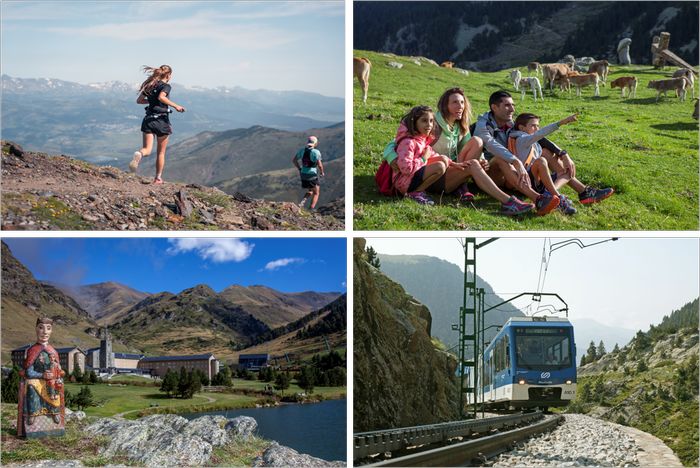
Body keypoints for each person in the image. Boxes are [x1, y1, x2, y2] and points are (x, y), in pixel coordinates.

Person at [474, 91, 614, 214]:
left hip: (517, 171)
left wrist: (562, 153)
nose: (512, 109)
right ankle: (539, 199)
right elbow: (490, 145)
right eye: (507, 105)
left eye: (513, 105)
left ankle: (583, 192)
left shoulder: (510, 123)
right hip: (494, 173)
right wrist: (515, 161)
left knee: (546, 152)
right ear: (494, 107)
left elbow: (537, 137)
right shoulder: (483, 125)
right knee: (500, 158)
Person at [392, 105, 534, 215]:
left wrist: (454, 164)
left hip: (426, 177)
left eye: (430, 121)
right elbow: (407, 168)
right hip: (410, 183)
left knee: (471, 163)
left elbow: (434, 156)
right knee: (441, 166)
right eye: (424, 121)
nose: (429, 125)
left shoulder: (423, 139)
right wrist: (425, 157)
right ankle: (508, 202)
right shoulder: (409, 141)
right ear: (413, 122)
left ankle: (508, 201)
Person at [510, 112, 579, 215]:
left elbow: (541, 138)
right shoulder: (521, 139)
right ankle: (559, 199)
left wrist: (564, 155)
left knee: (567, 171)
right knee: (541, 161)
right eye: (533, 125)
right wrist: (562, 122)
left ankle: (549, 195)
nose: (536, 128)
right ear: (522, 128)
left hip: (539, 180)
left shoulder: (534, 141)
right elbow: (540, 134)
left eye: (538, 125)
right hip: (527, 181)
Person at [129, 65, 186, 184]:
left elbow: (139, 101)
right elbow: (161, 97)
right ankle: (158, 178)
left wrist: (150, 101)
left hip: (148, 119)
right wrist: (176, 106)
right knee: (161, 152)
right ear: (169, 75)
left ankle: (139, 154)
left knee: (147, 149)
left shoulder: (150, 85)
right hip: (162, 121)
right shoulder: (166, 86)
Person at [17, 317, 65, 438]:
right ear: (36, 329)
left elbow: (59, 369)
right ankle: (33, 413)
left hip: (51, 380)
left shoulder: (53, 351)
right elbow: (28, 371)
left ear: (51, 331)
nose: (45, 332)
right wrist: (42, 375)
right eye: (41, 328)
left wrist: (58, 373)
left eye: (48, 328)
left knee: (55, 384)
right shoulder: (32, 350)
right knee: (32, 385)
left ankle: (54, 411)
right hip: (36, 379)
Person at [292, 135, 325, 210]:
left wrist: (299, 168)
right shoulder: (316, 152)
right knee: (316, 193)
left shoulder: (302, 150)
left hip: (303, 174)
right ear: (315, 143)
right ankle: (311, 209)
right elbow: (319, 165)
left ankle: (302, 202)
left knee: (310, 190)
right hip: (312, 175)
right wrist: (322, 172)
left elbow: (294, 160)